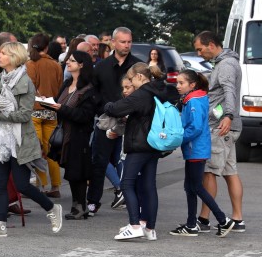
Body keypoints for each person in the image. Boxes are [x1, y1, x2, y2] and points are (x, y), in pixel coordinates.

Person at [0, 42, 62, 238]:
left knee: (22, 185)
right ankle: (0, 224)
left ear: (14, 57)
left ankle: (51, 208)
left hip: (20, 141)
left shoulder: (25, 82)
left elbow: (24, 115)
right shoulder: (3, 79)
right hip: (0, 139)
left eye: (3, 53)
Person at [104, 63, 168, 241]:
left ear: (140, 77)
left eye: (131, 79)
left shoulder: (142, 93)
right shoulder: (159, 89)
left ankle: (134, 226)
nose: (130, 83)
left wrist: (107, 105)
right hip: (155, 143)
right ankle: (149, 228)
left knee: (126, 184)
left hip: (139, 144)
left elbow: (117, 108)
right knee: (149, 186)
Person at [169, 69, 235, 237]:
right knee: (190, 187)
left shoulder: (194, 101)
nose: (178, 86)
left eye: (181, 83)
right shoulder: (194, 98)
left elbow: (196, 127)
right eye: (177, 82)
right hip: (195, 148)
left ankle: (223, 220)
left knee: (196, 186)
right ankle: (191, 224)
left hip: (195, 149)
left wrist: (178, 138)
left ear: (192, 85)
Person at [193, 31, 245, 233]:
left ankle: (204, 219)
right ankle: (238, 219)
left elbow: (229, 90)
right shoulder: (225, 62)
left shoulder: (225, 65)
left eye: (200, 48)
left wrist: (228, 115)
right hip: (227, 126)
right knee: (230, 172)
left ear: (211, 45)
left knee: (209, 172)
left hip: (221, 127)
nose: (198, 53)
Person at [87, 27, 141, 215]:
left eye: (129, 41)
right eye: (123, 41)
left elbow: (144, 93)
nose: (126, 45)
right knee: (99, 161)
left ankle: (133, 200)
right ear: (114, 43)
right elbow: (94, 92)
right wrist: (103, 108)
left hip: (132, 121)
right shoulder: (102, 67)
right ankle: (93, 202)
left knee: (130, 161)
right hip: (107, 119)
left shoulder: (137, 66)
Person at [44, 51, 96, 220]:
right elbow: (61, 104)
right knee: (72, 170)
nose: (68, 62)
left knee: (78, 172)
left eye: (72, 60)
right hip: (65, 133)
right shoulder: (67, 83)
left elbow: (85, 116)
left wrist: (62, 109)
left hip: (79, 135)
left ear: (81, 64)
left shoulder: (88, 89)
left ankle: (80, 206)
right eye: (68, 59)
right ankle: (77, 206)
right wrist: (49, 103)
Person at [27, 33, 64, 198]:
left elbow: (29, 88)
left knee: (37, 150)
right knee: (51, 150)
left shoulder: (30, 64)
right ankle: (55, 186)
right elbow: (60, 89)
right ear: (47, 47)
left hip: (34, 111)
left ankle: (41, 185)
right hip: (51, 111)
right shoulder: (56, 65)